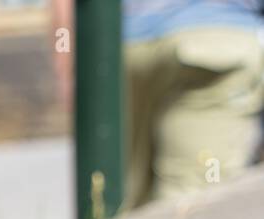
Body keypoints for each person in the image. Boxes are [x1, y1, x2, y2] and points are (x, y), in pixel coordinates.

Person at [52, 0, 264, 208]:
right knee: (196, 201)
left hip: (118, 46)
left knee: (116, 202)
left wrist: (68, 68)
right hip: (216, 39)